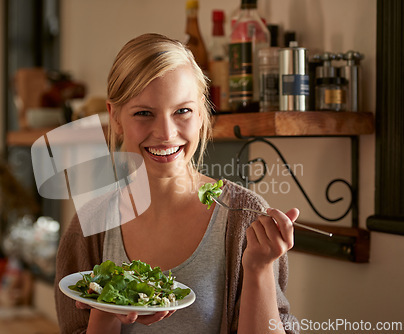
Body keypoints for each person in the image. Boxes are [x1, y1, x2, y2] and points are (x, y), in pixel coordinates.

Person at [55, 33, 300, 334]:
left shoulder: (244, 217)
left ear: (201, 114)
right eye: (144, 113)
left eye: (182, 111)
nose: (166, 133)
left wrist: (258, 269)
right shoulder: (90, 225)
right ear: (115, 118)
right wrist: (107, 310)